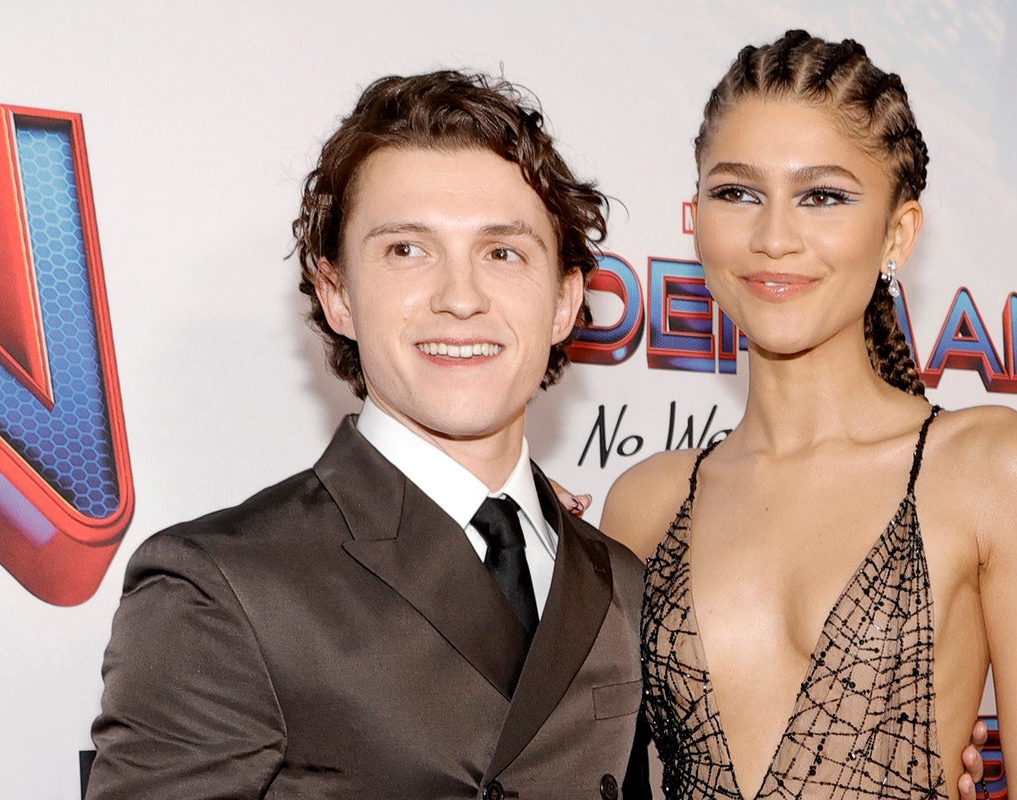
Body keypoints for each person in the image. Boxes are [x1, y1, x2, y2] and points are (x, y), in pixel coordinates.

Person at [86, 70, 651, 800]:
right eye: (407, 251)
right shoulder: (221, 586)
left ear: (565, 301)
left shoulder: (620, 580)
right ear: (338, 295)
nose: (460, 298)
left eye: (502, 253)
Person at [602, 30, 1017, 800]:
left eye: (822, 196)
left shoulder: (993, 468)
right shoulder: (644, 503)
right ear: (695, 218)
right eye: (737, 193)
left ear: (898, 233)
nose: (773, 237)